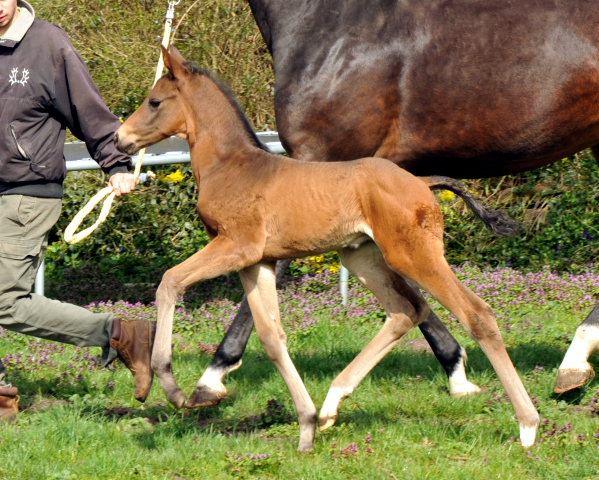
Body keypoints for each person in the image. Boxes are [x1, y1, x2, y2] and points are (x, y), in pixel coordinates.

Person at [0, 0, 156, 423]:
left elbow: (89, 111)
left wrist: (116, 163)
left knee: (5, 302)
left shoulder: (48, 45)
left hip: (26, 193)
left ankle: (120, 333)